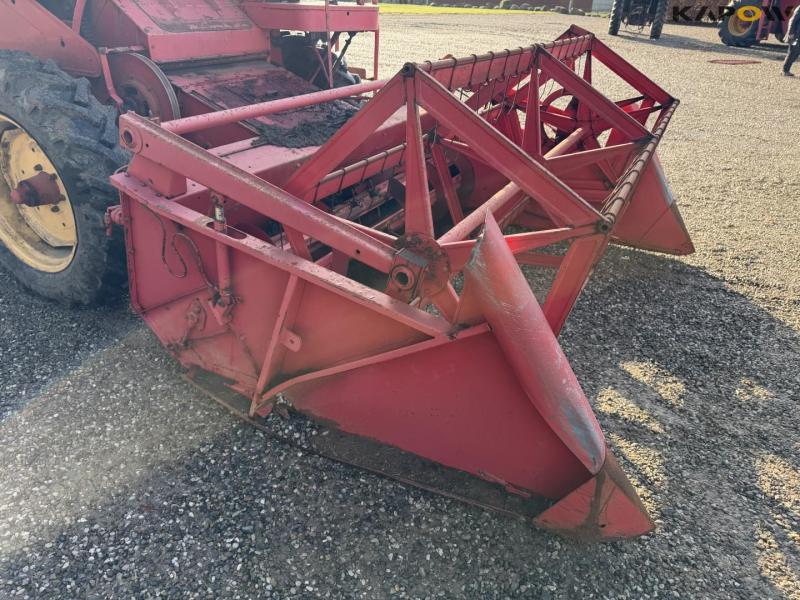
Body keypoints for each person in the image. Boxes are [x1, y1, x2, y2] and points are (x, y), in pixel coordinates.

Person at [784, 4, 800, 76]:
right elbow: (792, 20)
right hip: (796, 35)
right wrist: (791, 33)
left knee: (795, 54)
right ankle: (785, 70)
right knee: (792, 53)